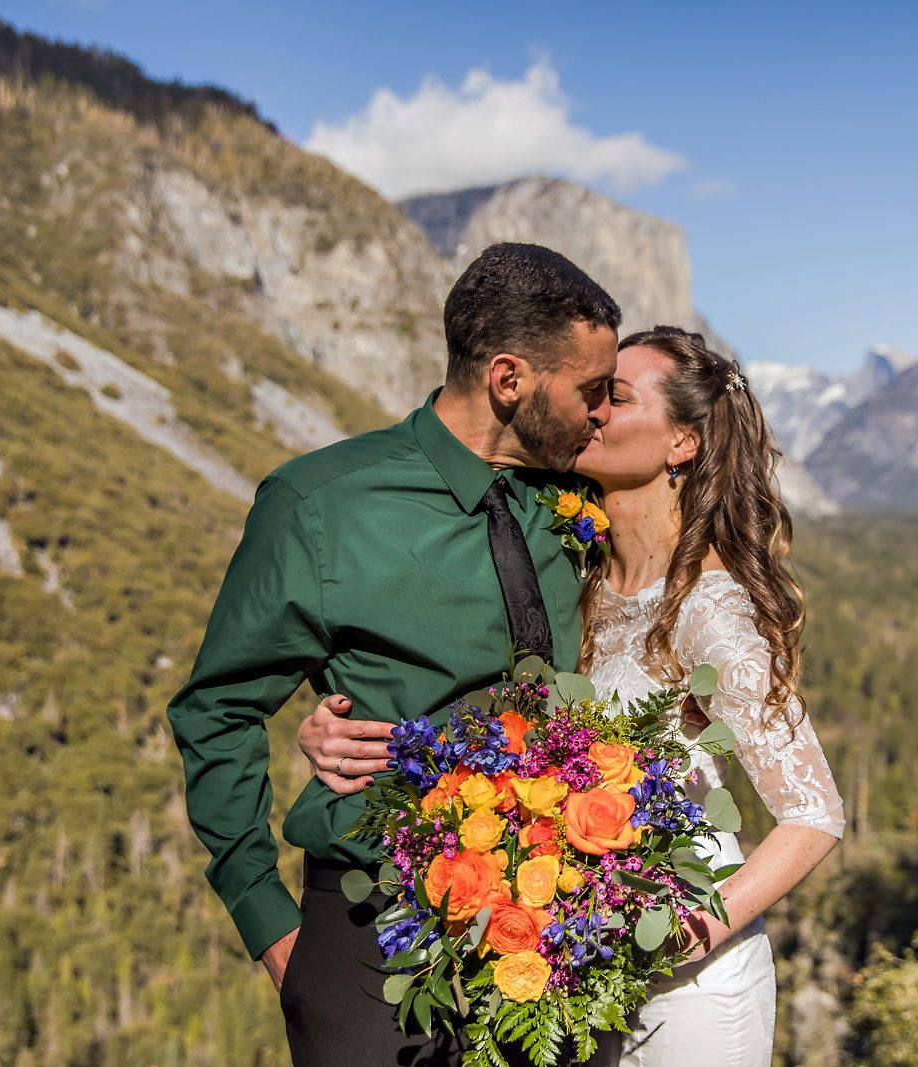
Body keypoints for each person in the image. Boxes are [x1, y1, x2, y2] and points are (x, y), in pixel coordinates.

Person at [299, 325, 845, 1066]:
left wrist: (684, 939)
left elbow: (814, 815)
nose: (592, 413)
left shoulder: (708, 607)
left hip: (693, 994)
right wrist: (336, 727)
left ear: (682, 443)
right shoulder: (569, 575)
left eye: (615, 397)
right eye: (591, 394)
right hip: (575, 978)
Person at [166, 242, 623, 1067]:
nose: (605, 414)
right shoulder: (318, 505)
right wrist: (268, 920)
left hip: (559, 936)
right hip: (376, 938)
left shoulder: (584, 494)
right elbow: (219, 707)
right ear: (509, 379)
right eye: (592, 391)